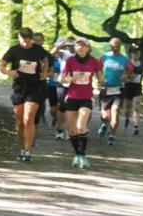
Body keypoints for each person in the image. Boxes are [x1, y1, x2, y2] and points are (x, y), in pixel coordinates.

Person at [0, 27, 49, 162]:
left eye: (28, 41)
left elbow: (46, 61)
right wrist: (9, 73)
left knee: (28, 118)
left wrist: (44, 73)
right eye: (23, 41)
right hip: (19, 87)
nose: (26, 44)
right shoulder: (13, 50)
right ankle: (22, 147)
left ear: (31, 39)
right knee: (20, 121)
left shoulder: (38, 50)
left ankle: (28, 150)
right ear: (19, 39)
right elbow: (1, 66)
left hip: (35, 87)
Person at [60, 38, 103, 168]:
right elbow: (62, 79)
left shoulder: (93, 61)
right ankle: (77, 154)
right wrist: (70, 78)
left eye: (83, 45)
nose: (81, 47)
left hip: (86, 97)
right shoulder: (70, 61)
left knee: (81, 126)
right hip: (72, 97)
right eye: (78, 45)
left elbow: (100, 74)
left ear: (87, 48)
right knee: (72, 130)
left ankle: (83, 155)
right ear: (75, 48)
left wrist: (99, 83)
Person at [97, 37, 133, 145]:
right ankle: (104, 124)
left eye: (117, 46)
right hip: (106, 88)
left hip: (119, 89)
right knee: (105, 115)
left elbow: (131, 73)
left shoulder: (125, 59)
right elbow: (97, 69)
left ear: (120, 46)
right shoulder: (104, 57)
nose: (115, 47)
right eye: (113, 45)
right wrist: (99, 80)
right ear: (110, 46)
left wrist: (126, 76)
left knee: (115, 110)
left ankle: (112, 134)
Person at [50, 37, 75, 139]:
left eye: (72, 44)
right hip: (63, 83)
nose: (70, 46)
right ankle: (60, 129)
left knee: (73, 107)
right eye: (68, 45)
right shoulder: (64, 53)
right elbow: (52, 53)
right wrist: (63, 43)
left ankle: (71, 129)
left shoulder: (80, 54)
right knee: (62, 106)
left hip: (76, 83)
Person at [123, 45, 143, 135]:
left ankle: (136, 126)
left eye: (137, 52)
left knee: (136, 107)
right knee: (128, 108)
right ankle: (127, 120)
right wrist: (128, 77)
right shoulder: (127, 63)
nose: (135, 54)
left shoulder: (142, 64)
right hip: (128, 87)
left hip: (138, 87)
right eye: (134, 52)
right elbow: (123, 76)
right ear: (131, 54)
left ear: (140, 54)